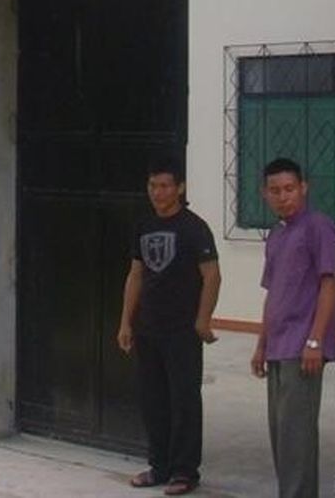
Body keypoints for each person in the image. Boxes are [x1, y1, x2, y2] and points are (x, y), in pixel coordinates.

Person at [117, 159, 222, 496]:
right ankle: (159, 465)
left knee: (184, 401)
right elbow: (135, 275)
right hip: (148, 329)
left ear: (179, 188)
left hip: (182, 332)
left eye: (164, 186)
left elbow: (212, 276)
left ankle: (185, 471)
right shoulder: (144, 225)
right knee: (154, 401)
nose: (158, 193)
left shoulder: (194, 228)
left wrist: (203, 320)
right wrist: (125, 322)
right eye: (152, 186)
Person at [250, 157, 335, 498]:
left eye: (289, 189)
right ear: (264, 194)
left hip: (303, 349)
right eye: (275, 191)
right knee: (282, 437)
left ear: (304, 188)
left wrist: (315, 341)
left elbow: (328, 284)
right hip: (277, 348)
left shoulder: (318, 227)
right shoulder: (276, 234)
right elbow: (273, 294)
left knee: (298, 439)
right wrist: (260, 345)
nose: (283, 196)